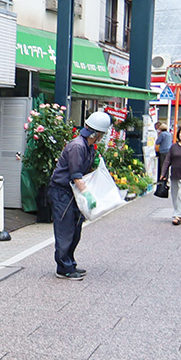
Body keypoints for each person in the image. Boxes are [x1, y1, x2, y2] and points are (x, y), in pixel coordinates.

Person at [48, 110, 110, 280]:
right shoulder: (77, 146)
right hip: (63, 192)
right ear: (97, 133)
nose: (102, 137)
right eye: (102, 134)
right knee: (65, 230)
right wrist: (88, 194)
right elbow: (76, 175)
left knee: (75, 229)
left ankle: (70, 263)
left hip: (72, 192)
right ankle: (63, 268)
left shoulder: (87, 146)